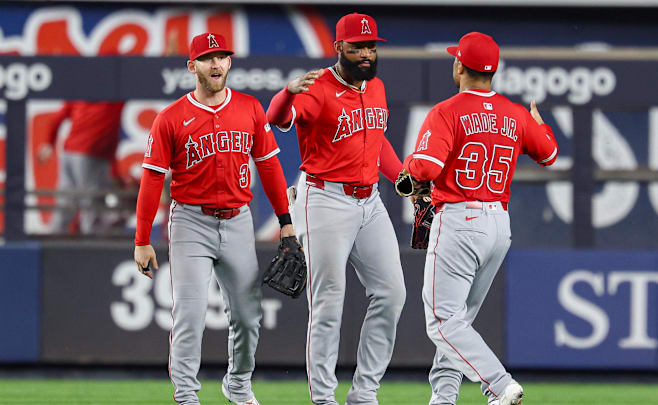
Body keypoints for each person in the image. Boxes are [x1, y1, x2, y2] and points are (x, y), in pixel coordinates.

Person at [133, 32, 296, 405]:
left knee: (248, 316)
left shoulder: (250, 108)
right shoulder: (170, 118)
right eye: (208, 58)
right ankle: (187, 396)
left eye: (222, 57)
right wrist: (141, 240)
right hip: (191, 222)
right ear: (192, 66)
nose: (217, 64)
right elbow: (152, 179)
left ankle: (238, 385)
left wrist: (285, 221)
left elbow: (270, 167)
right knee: (189, 315)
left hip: (238, 221)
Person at [401, 32, 558, 405]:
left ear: (459, 67)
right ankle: (443, 398)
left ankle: (499, 384)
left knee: (442, 321)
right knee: (458, 323)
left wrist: (408, 166)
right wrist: (540, 125)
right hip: (497, 225)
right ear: (493, 71)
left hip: (459, 220)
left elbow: (426, 166)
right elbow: (549, 154)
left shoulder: (447, 111)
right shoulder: (515, 114)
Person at [266, 13, 406, 405]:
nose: (366, 53)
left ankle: (364, 393)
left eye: (371, 46)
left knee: (392, 294)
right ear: (338, 48)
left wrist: (401, 179)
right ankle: (324, 397)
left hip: (370, 201)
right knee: (329, 302)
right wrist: (287, 93)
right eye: (358, 46)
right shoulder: (317, 87)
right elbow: (276, 118)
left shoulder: (375, 86)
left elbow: (378, 143)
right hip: (324, 199)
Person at [38, 100, 124, 234]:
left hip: (69, 153)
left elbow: (57, 117)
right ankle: (92, 246)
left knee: (66, 202)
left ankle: (55, 238)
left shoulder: (82, 92)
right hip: (89, 154)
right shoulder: (114, 97)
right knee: (91, 202)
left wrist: (49, 142)